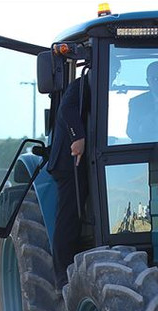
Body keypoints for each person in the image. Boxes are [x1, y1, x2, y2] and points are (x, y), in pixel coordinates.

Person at [47, 76, 87, 287]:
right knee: (68, 217)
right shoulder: (81, 84)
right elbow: (66, 109)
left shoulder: (101, 82)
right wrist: (77, 137)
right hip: (68, 161)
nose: (115, 72)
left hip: (85, 161)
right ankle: (62, 278)